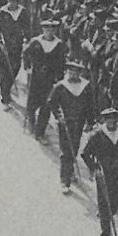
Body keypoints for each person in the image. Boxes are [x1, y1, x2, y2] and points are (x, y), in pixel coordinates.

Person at [81, 105, 118, 236]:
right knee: (104, 203)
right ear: (104, 120)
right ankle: (105, 235)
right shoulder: (97, 134)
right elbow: (85, 153)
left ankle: (107, 214)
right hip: (104, 173)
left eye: (113, 118)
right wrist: (94, 169)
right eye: (108, 119)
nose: (111, 121)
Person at [48, 58, 97, 194]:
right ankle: (65, 180)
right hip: (66, 123)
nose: (72, 74)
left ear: (79, 73)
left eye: (75, 72)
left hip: (79, 123)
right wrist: (59, 116)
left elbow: (90, 105)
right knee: (65, 151)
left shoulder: (85, 86)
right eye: (70, 71)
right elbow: (51, 102)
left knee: (74, 148)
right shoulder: (61, 86)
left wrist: (90, 122)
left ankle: (70, 171)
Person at [23, 17, 67, 139]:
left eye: (52, 29)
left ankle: (40, 132)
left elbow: (61, 63)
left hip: (50, 79)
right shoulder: (35, 42)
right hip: (36, 78)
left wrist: (59, 78)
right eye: (47, 29)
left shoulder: (58, 45)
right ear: (43, 29)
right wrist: (28, 67)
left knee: (46, 105)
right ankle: (31, 122)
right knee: (32, 102)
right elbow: (26, 54)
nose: (49, 31)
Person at [0, 0, 28, 108]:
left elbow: (27, 28)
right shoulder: (1, 13)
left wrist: (27, 39)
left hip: (17, 46)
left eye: (16, 1)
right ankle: (5, 96)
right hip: (3, 48)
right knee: (3, 71)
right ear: (8, 0)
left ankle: (7, 88)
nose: (13, 3)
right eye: (11, 0)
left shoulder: (23, 13)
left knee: (15, 68)